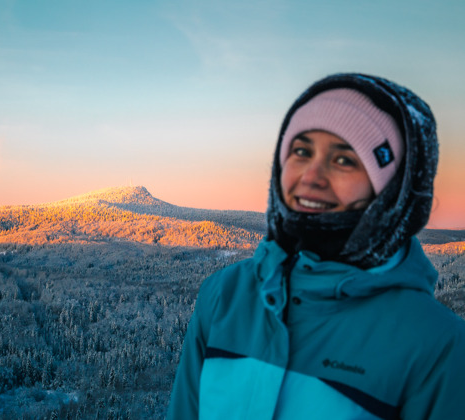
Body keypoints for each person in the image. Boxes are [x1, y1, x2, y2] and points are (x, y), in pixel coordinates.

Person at [167, 73, 465, 419]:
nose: (311, 176)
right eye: (301, 151)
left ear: (392, 190)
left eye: (344, 160)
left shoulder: (437, 345)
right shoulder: (225, 296)